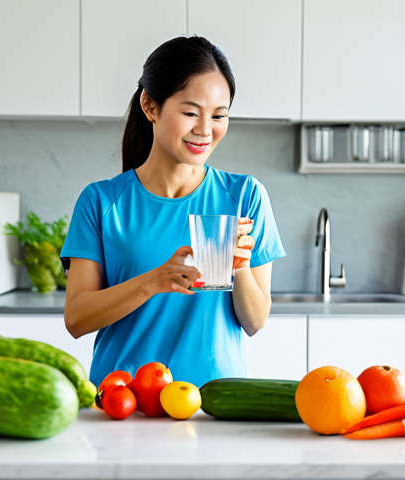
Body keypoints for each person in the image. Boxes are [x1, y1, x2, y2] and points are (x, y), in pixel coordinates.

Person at [60, 35, 285, 388]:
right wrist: (153, 281)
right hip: (124, 402)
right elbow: (76, 319)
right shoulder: (101, 202)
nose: (205, 130)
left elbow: (255, 321)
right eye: (190, 113)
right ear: (150, 106)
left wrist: (237, 264)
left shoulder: (244, 196)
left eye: (219, 116)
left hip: (211, 404)